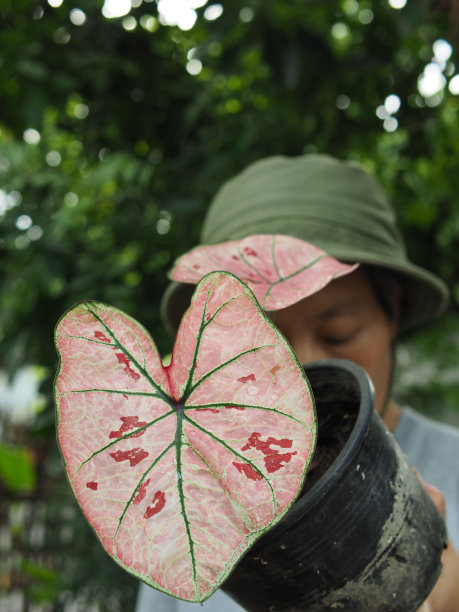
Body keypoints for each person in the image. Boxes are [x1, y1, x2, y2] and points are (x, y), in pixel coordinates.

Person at [136, 154, 459, 611]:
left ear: (394, 312)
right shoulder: (189, 529)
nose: (304, 374)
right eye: (262, 345)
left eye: (338, 334)